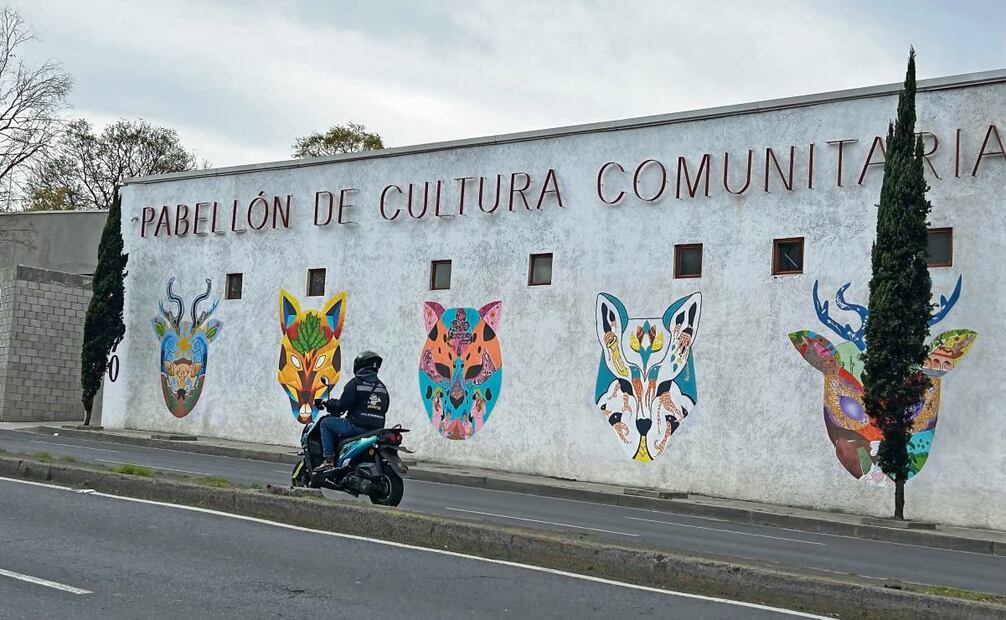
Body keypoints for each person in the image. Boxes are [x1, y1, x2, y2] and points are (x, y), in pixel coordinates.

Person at [314, 350, 390, 472]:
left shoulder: (355, 384)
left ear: (359, 365)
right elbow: (385, 408)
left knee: (326, 423)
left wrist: (328, 403)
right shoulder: (382, 387)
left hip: (356, 427)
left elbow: (342, 406)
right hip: (376, 429)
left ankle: (328, 460)